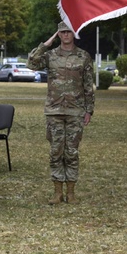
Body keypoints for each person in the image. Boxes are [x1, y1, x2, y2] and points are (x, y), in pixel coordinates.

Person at [27, 21, 94, 205]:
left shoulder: (83, 56)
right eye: (62, 32)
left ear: (74, 34)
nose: (65, 35)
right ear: (58, 34)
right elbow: (31, 63)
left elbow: (88, 85)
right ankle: (57, 192)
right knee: (56, 151)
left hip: (75, 111)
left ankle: (71, 192)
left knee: (71, 152)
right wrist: (45, 44)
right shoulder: (50, 56)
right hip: (54, 110)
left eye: (68, 32)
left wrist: (89, 110)